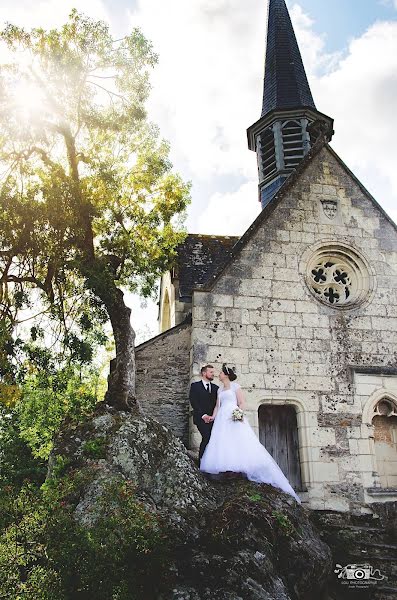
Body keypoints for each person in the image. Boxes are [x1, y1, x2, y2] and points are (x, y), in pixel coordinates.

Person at [200, 364, 301, 504]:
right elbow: (218, 406)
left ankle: (237, 469)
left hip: (233, 415)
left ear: (226, 375)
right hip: (222, 417)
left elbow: (241, 403)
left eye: (221, 373)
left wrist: (238, 414)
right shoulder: (220, 390)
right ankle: (226, 469)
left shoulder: (235, 387)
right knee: (223, 441)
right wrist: (212, 417)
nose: (219, 374)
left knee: (238, 440)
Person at [189, 365, 219, 463]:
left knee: (211, 439)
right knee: (207, 437)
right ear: (204, 373)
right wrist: (204, 415)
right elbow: (193, 401)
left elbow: (217, 404)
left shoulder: (216, 388)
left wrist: (213, 417)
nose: (213, 374)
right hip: (200, 418)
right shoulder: (195, 386)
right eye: (211, 372)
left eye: (213, 372)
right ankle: (201, 461)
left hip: (213, 419)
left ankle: (210, 462)